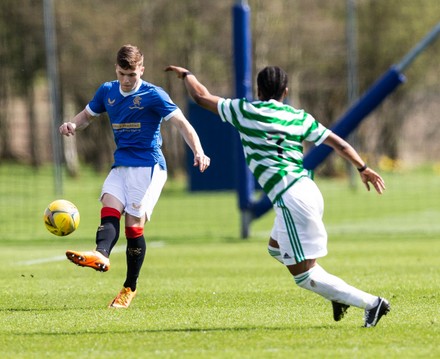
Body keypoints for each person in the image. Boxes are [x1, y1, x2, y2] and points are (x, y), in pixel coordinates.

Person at [165, 65, 390, 327]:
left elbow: (201, 97)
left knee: (305, 276)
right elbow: (338, 143)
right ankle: (336, 294)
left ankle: (372, 304)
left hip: (291, 197)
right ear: (286, 91)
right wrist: (363, 168)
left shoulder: (246, 111)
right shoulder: (298, 117)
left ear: (258, 91)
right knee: (275, 248)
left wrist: (188, 75)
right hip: (307, 190)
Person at [59, 45, 210, 309]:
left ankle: (129, 287)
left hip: (149, 166)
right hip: (122, 165)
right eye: (122, 74)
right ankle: (101, 255)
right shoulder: (107, 91)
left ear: (142, 69)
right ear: (116, 70)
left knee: (132, 225)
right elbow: (87, 116)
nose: (127, 80)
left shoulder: (153, 95)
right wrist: (73, 124)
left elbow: (183, 124)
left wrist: (198, 150)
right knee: (109, 204)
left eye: (132, 74)